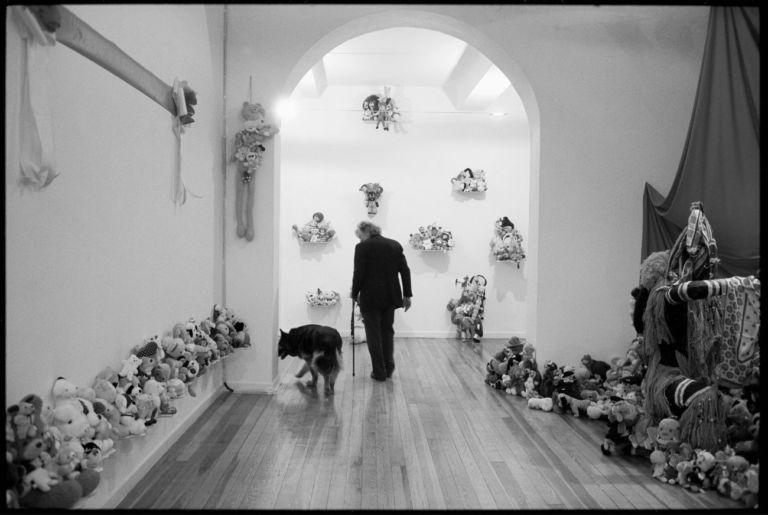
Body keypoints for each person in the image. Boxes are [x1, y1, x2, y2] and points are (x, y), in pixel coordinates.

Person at [351, 220, 412, 381]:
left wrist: (354, 293)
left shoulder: (362, 247)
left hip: (370, 297)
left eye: (360, 236)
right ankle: (389, 367)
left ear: (366, 232)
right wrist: (407, 295)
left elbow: (359, 273)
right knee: (387, 332)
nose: (360, 240)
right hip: (390, 296)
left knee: (373, 335)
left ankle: (379, 372)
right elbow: (405, 271)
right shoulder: (394, 245)